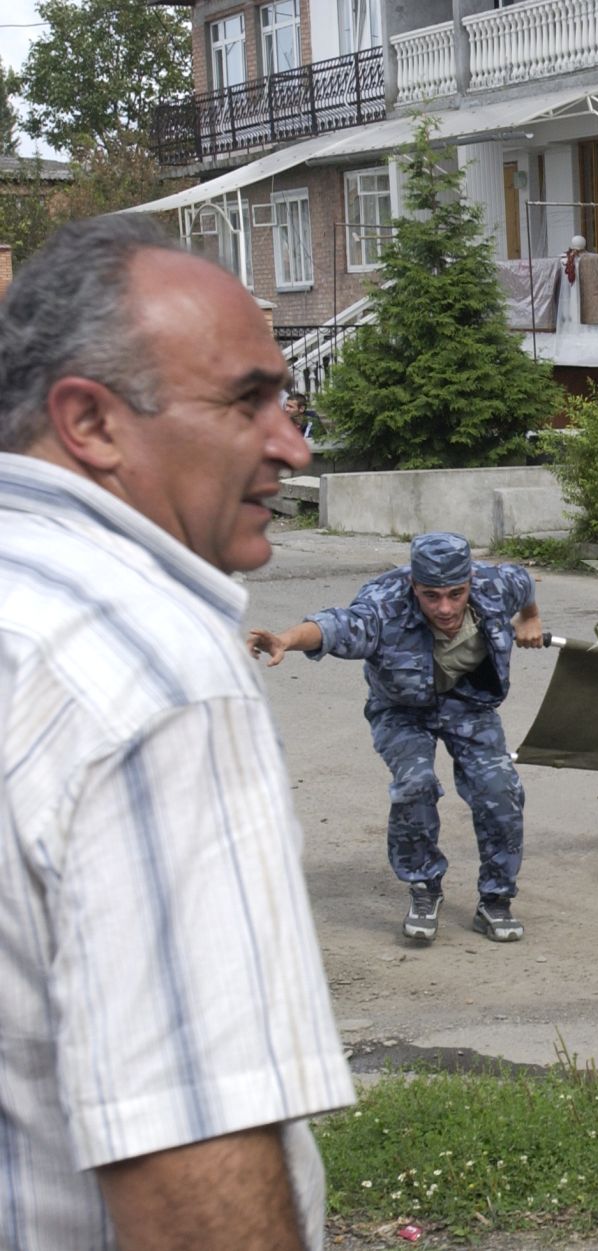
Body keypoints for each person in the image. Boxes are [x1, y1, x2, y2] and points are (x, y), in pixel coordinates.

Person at [0, 215, 353, 1249]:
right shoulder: (160, 681)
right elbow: (187, 1166)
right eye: (249, 401)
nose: (294, 442)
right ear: (92, 424)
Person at [250, 532, 543, 942]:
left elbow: (524, 583)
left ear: (470, 584)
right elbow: (332, 626)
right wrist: (284, 639)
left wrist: (529, 618)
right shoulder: (382, 608)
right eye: (431, 596)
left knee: (501, 789)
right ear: (413, 587)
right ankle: (425, 887)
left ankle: (496, 899)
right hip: (402, 710)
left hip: (468, 703)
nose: (444, 608)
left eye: (455, 595)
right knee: (415, 783)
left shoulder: (495, 584)